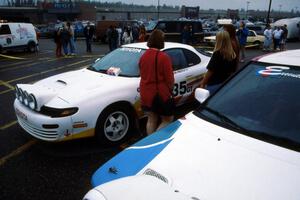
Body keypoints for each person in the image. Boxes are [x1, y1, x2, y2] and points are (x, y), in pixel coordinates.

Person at [139, 29, 174, 135]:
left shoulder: (143, 56)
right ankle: (156, 139)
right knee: (168, 119)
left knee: (151, 119)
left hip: (145, 92)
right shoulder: (164, 57)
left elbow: (142, 73)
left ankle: (150, 142)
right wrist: (170, 90)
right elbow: (170, 80)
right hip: (159, 94)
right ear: (160, 41)